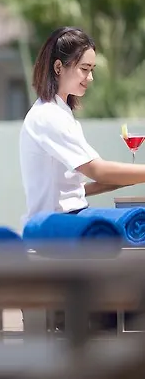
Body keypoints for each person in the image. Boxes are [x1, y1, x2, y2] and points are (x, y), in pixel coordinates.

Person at [18, 26, 144, 332]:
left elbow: (79, 187)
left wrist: (133, 177)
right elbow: (97, 170)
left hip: (72, 217)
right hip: (56, 226)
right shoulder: (48, 117)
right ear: (58, 67)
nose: (90, 78)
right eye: (84, 69)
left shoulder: (60, 113)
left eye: (92, 70)